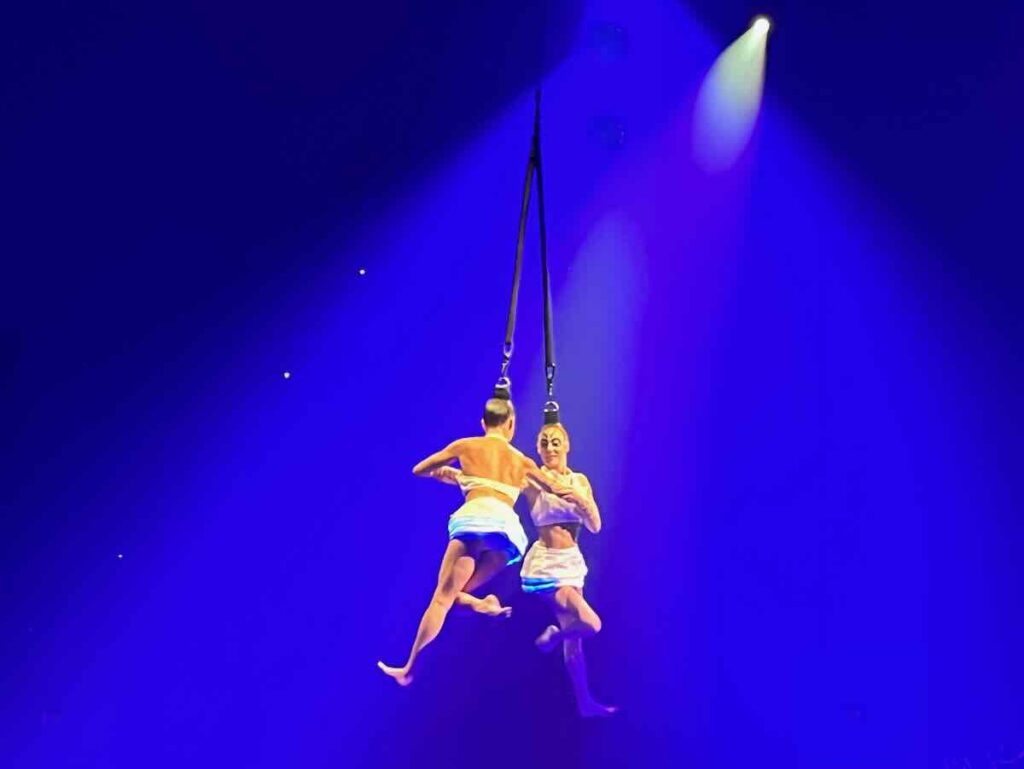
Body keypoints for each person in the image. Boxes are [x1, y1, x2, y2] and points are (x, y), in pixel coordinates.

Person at [377, 397, 559, 686]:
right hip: (507, 533)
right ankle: (482, 604)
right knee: (455, 594)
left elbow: (419, 469)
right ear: (511, 425)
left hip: (475, 520)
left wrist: (460, 475)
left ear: (483, 424)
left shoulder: (466, 445)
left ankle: (408, 668)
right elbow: (553, 487)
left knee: (441, 598)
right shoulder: (522, 461)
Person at [520, 422, 617, 716]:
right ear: (538, 448)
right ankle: (551, 637)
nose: (550, 447)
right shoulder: (532, 479)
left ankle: (585, 702)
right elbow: (499, 479)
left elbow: (595, 526)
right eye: (545, 443)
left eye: (555, 442)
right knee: (591, 623)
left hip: (572, 563)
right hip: (547, 566)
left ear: (567, 445)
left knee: (575, 641)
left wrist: (579, 499)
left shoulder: (579, 481)